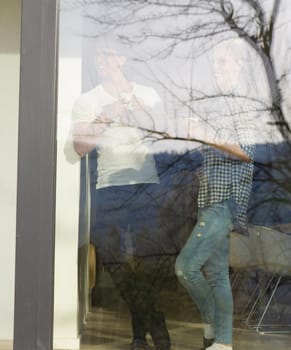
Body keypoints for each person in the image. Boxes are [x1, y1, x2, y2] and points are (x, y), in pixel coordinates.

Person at [71, 41, 171, 350]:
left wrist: (138, 109)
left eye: (109, 54)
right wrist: (105, 116)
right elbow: (80, 147)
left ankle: (140, 335)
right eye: (98, 54)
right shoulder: (88, 100)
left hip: (145, 186)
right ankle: (154, 320)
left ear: (122, 59)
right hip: (109, 188)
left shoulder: (148, 94)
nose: (102, 59)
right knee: (113, 262)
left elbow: (167, 133)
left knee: (148, 263)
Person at [174, 39, 256, 350]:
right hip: (210, 200)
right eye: (214, 63)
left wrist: (205, 135)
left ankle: (214, 327)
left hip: (223, 204)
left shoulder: (243, 102)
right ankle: (222, 343)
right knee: (218, 276)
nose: (216, 68)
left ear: (239, 65)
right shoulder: (218, 103)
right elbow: (218, 151)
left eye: (222, 62)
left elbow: (247, 152)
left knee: (185, 267)